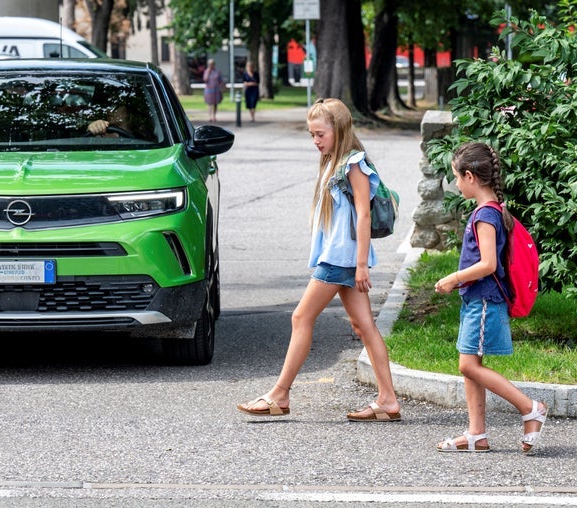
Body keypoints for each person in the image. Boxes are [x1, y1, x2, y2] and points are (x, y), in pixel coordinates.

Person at [237, 97, 401, 422]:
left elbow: (364, 215)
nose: (315, 140)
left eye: (320, 134)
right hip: (343, 257)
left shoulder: (353, 164)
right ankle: (388, 401)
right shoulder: (334, 161)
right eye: (312, 134)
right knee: (363, 325)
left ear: (338, 130)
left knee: (301, 318)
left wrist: (361, 265)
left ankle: (280, 395)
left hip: (341, 258)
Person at [433, 141, 547, 453]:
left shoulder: (485, 215)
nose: (456, 184)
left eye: (457, 177)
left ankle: (530, 408)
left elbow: (488, 264)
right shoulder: (493, 210)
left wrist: (452, 279)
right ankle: (476, 434)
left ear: (470, 177)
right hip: (478, 300)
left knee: (468, 366)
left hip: (483, 300)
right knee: (470, 363)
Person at [203, 58, 225, 123]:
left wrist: (223, 86)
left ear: (214, 64)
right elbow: (205, 80)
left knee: (215, 104)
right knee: (209, 103)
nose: (211, 65)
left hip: (216, 89)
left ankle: (214, 116)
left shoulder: (217, 71)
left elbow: (220, 80)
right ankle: (210, 117)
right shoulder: (206, 71)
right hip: (209, 90)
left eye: (212, 64)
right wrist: (208, 72)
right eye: (209, 64)